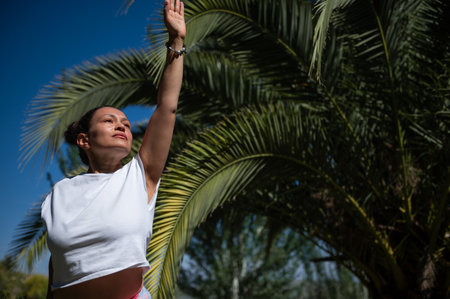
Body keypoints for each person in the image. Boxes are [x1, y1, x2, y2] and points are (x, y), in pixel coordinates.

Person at [41, 1, 185, 298]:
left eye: (126, 123)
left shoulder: (139, 176)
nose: (122, 126)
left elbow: (167, 107)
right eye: (109, 121)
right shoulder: (60, 194)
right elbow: (57, 266)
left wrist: (176, 42)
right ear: (84, 141)